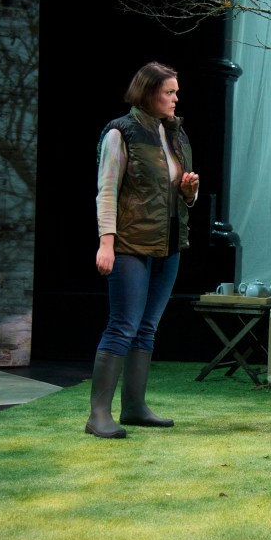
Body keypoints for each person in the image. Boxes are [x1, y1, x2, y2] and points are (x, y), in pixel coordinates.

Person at [86, 61, 200, 439]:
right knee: (123, 325)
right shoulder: (121, 132)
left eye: (176, 92)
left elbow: (179, 195)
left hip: (169, 241)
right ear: (149, 92)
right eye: (169, 92)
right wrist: (106, 243)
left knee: (147, 328)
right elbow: (107, 190)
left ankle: (134, 407)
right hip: (130, 242)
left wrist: (189, 192)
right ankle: (98, 416)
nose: (176, 98)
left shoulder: (176, 134)